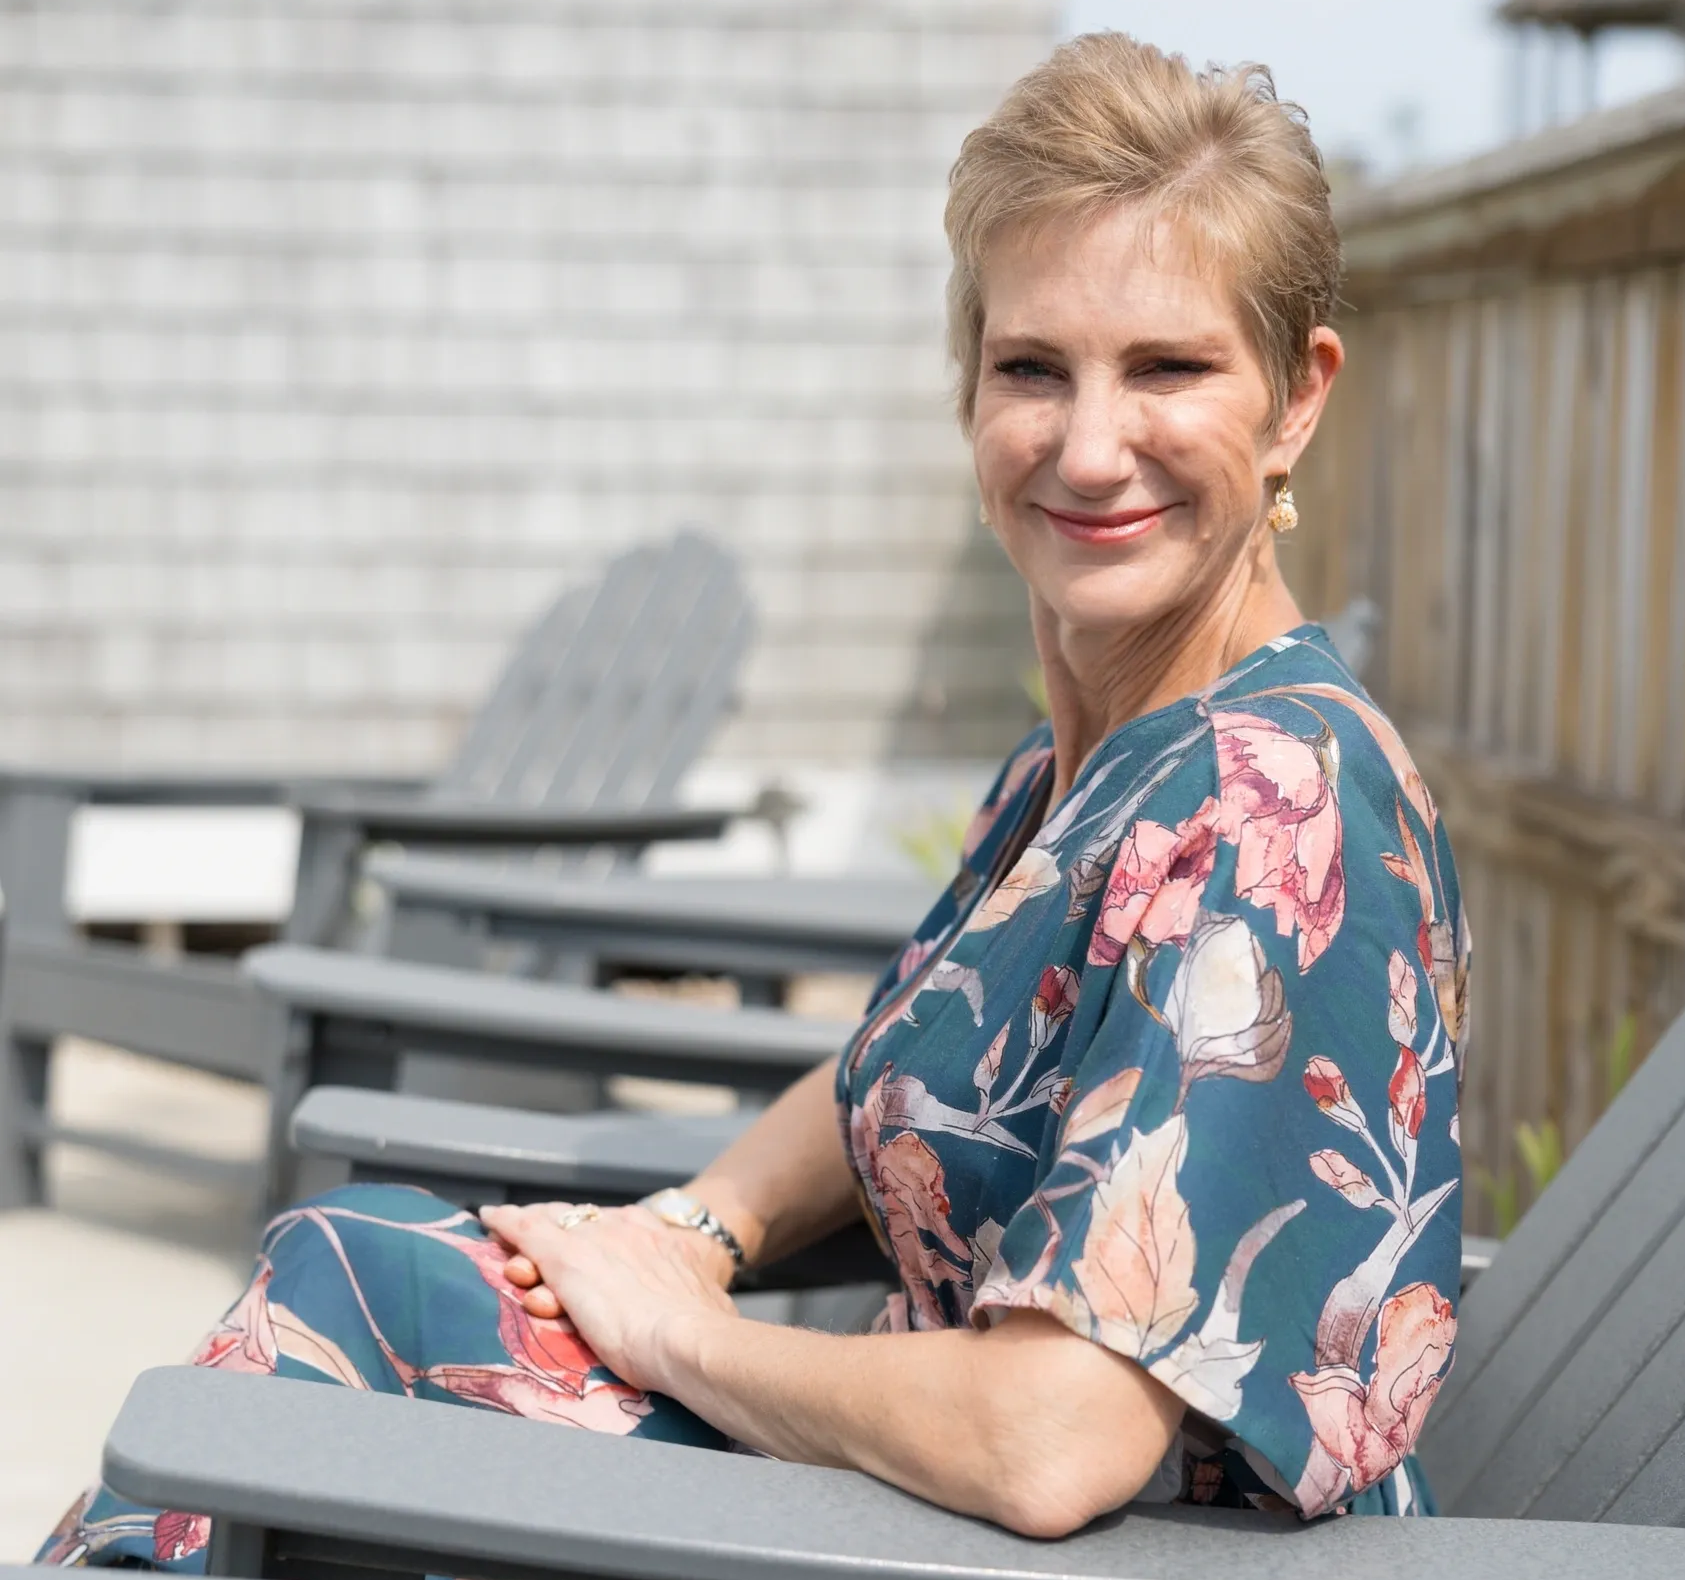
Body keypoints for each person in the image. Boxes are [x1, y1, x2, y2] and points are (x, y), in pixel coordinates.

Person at [39, 33, 1469, 1563]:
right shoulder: (1097, 762)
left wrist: (679, 1333)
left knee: (346, 1314)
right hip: (911, 1515)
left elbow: (1060, 1438)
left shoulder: (1266, 810)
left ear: (1293, 401)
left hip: (1076, 1548)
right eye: (1030, 367)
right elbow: (901, 1083)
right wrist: (696, 1224)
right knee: (351, 1286)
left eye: (1168, 368)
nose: (1087, 443)